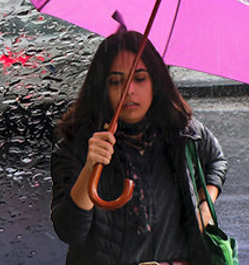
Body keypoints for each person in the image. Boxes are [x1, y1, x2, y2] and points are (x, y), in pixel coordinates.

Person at [50, 29, 228, 265]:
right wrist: (90, 167)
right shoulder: (77, 145)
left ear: (156, 82)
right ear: (103, 87)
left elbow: (216, 160)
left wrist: (205, 208)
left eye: (140, 78)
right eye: (116, 81)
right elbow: (69, 231)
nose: (129, 90)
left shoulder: (183, 132)